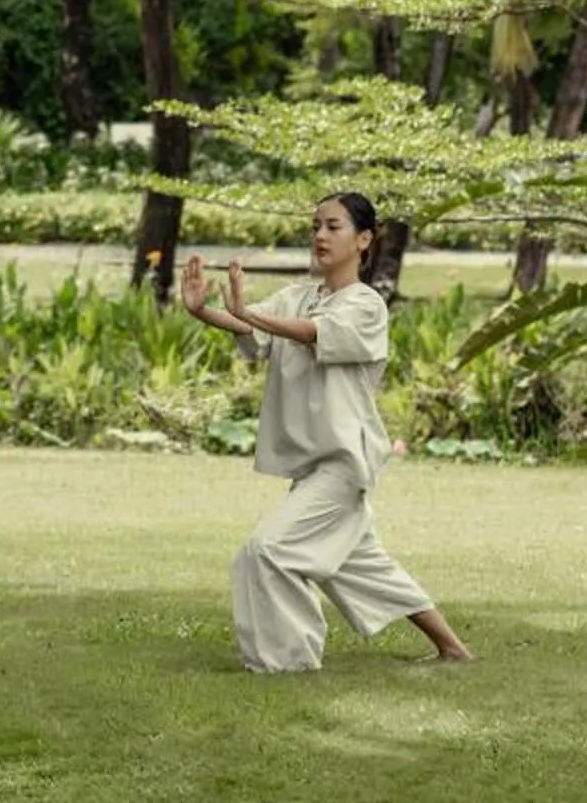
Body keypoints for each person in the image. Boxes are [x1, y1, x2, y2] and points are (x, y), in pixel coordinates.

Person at [179, 190, 473, 670]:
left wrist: (249, 313)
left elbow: (313, 333)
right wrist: (202, 311)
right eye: (315, 225)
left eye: (333, 226)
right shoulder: (298, 296)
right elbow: (251, 330)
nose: (319, 235)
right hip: (312, 464)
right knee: (360, 564)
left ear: (363, 239)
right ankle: (453, 648)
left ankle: (288, 662)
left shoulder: (366, 305)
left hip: (344, 462)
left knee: (266, 551)